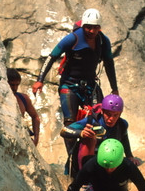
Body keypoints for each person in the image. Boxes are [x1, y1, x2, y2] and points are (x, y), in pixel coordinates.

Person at [31, 9, 118, 154]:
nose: (91, 30)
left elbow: (109, 64)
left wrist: (114, 88)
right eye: (88, 27)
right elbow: (52, 56)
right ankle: (72, 157)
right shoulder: (73, 38)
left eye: (95, 27)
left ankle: (95, 154)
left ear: (99, 28)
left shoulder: (103, 41)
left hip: (90, 85)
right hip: (69, 85)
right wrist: (40, 80)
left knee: (97, 118)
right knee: (70, 122)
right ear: (83, 26)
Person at [60, 94, 140, 176]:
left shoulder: (122, 124)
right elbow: (64, 131)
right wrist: (81, 133)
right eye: (108, 114)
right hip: (83, 164)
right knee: (89, 137)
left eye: (115, 115)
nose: (111, 119)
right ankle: (85, 181)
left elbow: (124, 139)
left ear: (120, 113)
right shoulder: (91, 121)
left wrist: (130, 156)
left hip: (105, 162)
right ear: (102, 111)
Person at [7, 68, 41, 146]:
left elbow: (35, 116)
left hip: (21, 135)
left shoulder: (23, 98)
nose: (15, 88)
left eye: (17, 85)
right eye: (12, 85)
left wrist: (36, 138)